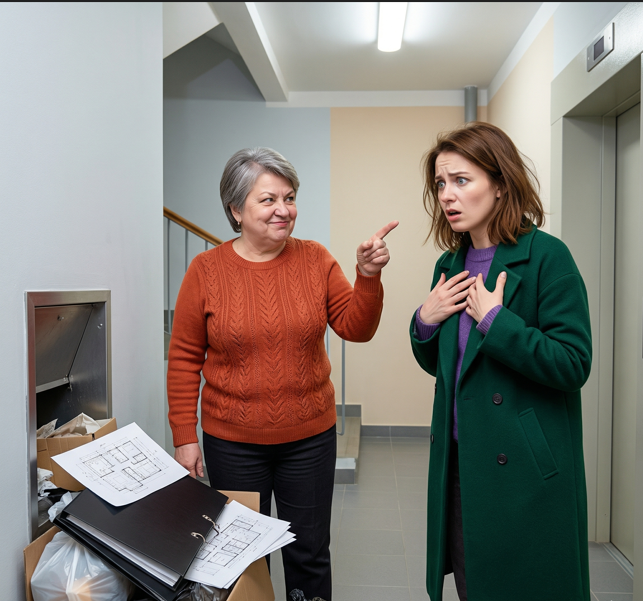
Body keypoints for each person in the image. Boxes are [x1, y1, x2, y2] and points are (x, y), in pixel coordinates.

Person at [167, 147, 398, 601]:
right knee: (242, 559)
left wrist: (367, 276)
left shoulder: (315, 259)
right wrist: (184, 436)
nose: (283, 210)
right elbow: (184, 357)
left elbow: (356, 328)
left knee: (309, 553)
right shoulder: (206, 271)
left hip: (309, 439)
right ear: (236, 209)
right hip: (232, 443)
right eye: (268, 199)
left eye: (289, 198)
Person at [410, 122, 592, 601]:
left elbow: (573, 363)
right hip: (461, 464)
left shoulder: (549, 257)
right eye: (440, 184)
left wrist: (496, 321)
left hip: (524, 470)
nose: (447, 195)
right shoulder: (449, 264)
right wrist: (424, 321)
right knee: (474, 586)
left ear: (500, 183)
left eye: (461, 180)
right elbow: (445, 366)